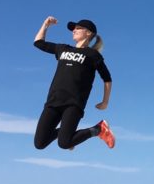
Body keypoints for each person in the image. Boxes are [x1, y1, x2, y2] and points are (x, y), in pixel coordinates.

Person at [32, 16, 114, 151]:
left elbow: (107, 78)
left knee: (64, 143)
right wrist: (45, 24)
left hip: (74, 103)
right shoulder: (63, 49)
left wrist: (105, 102)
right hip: (53, 101)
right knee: (40, 143)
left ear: (88, 33)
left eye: (78, 28)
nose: (73, 31)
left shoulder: (93, 55)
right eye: (73, 29)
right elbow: (38, 43)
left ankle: (99, 129)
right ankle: (69, 136)